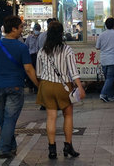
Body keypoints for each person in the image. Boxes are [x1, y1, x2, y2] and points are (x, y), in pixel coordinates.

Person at [0, 15, 39, 159]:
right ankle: (3, 148)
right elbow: (28, 69)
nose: (22, 30)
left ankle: (12, 146)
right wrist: (38, 85)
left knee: (4, 119)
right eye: (20, 27)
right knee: (10, 119)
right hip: (15, 86)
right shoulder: (21, 47)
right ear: (13, 29)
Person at [36, 21, 86, 159]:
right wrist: (80, 87)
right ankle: (67, 146)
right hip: (63, 86)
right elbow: (73, 71)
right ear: (61, 33)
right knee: (68, 115)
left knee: (51, 117)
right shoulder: (67, 50)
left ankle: (52, 149)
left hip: (46, 85)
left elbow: (39, 73)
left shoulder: (42, 51)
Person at [24, 23, 41, 92]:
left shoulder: (41, 37)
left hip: (39, 56)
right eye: (36, 29)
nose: (37, 31)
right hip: (31, 56)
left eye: (38, 30)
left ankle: (36, 87)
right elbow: (26, 47)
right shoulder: (29, 38)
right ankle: (30, 86)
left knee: (38, 72)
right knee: (31, 71)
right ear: (33, 30)